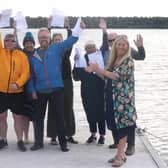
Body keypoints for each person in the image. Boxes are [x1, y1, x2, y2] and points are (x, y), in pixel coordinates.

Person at [27, 19, 85, 152]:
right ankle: (38, 142)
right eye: (41, 37)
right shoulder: (33, 56)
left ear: (49, 38)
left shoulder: (57, 48)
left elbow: (71, 40)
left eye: (46, 37)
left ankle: (63, 143)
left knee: (60, 116)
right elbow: (31, 76)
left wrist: (78, 29)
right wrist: (32, 90)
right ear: (38, 39)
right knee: (38, 118)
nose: (44, 39)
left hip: (56, 89)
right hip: (40, 91)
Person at [87, 36, 137, 167]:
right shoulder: (114, 60)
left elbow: (116, 76)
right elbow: (106, 76)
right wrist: (94, 70)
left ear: (127, 47)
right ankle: (120, 154)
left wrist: (98, 69)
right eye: (118, 44)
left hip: (123, 100)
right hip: (111, 97)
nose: (121, 46)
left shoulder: (128, 61)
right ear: (114, 46)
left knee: (122, 127)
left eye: (124, 45)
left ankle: (120, 156)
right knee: (114, 125)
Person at [99, 18, 145, 155]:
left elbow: (141, 57)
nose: (113, 43)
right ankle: (116, 141)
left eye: (115, 40)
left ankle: (130, 145)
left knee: (127, 119)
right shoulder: (107, 52)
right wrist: (104, 31)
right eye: (110, 41)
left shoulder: (128, 51)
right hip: (110, 89)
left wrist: (140, 47)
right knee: (111, 116)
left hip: (124, 92)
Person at [46, 17, 78, 145]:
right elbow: (46, 38)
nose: (58, 42)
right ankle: (53, 136)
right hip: (54, 82)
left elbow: (71, 39)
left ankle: (69, 134)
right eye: (55, 40)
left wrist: (67, 26)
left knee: (68, 107)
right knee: (53, 107)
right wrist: (49, 26)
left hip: (66, 81)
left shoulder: (66, 51)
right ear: (52, 42)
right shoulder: (50, 51)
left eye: (60, 40)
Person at [0, 33, 30, 152]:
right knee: (1, 117)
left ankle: (19, 140)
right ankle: (3, 139)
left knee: (18, 117)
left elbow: (26, 73)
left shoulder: (22, 55)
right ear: (4, 42)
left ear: (16, 42)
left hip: (17, 92)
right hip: (1, 91)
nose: (9, 43)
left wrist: (17, 83)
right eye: (7, 40)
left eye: (12, 41)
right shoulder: (1, 53)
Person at [73, 40, 105, 145]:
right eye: (88, 48)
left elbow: (104, 75)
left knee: (100, 113)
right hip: (86, 91)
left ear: (96, 48)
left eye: (92, 47)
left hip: (99, 90)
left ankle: (102, 135)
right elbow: (76, 77)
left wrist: (95, 70)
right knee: (89, 113)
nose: (90, 49)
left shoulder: (100, 58)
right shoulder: (82, 59)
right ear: (85, 50)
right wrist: (75, 63)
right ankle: (93, 134)